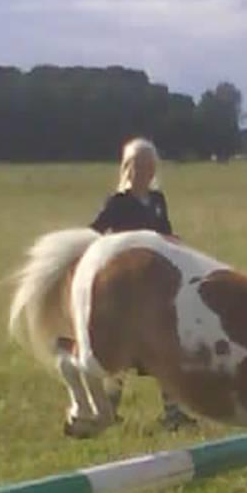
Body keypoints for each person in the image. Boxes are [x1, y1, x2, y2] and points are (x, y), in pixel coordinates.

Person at [90, 137, 197, 431]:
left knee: (164, 346)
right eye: (138, 166)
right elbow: (93, 234)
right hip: (127, 290)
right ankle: (108, 410)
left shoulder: (158, 201)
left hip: (157, 288)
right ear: (127, 168)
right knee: (123, 351)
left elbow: (166, 233)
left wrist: (175, 244)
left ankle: (173, 413)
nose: (144, 172)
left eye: (149, 166)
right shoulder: (117, 203)